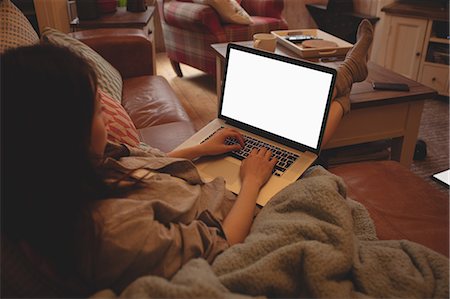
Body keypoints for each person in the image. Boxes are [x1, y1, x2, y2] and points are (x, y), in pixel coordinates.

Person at [1, 20, 373, 295]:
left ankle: (343, 81)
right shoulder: (112, 234)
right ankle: (346, 85)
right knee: (307, 151)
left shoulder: (57, 179)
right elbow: (225, 242)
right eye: (98, 111)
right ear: (64, 136)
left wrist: (201, 149)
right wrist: (253, 181)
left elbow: (142, 167)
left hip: (203, 183)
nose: (106, 116)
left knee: (288, 132)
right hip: (242, 210)